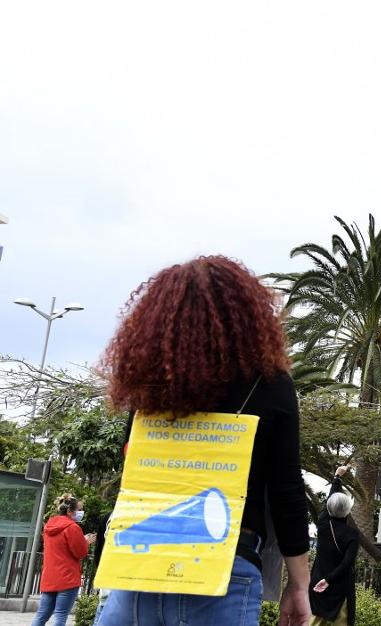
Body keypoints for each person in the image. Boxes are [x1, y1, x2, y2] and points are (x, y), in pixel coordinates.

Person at [96, 256, 312, 626]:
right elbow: (286, 492)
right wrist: (298, 585)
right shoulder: (271, 386)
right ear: (248, 317)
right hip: (225, 569)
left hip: (136, 576)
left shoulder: (150, 390)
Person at [32, 494, 94, 626]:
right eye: (79, 509)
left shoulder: (49, 526)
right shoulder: (73, 528)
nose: (80, 513)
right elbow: (80, 553)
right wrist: (86, 542)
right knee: (60, 615)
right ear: (70, 511)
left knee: (41, 615)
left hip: (49, 577)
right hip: (68, 578)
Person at [310, 466, 359, 626]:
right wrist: (330, 580)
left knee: (315, 620)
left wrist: (337, 477)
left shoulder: (323, 524)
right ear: (347, 510)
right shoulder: (351, 534)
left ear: (329, 508)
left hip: (318, 582)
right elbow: (347, 563)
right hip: (340, 586)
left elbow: (330, 500)